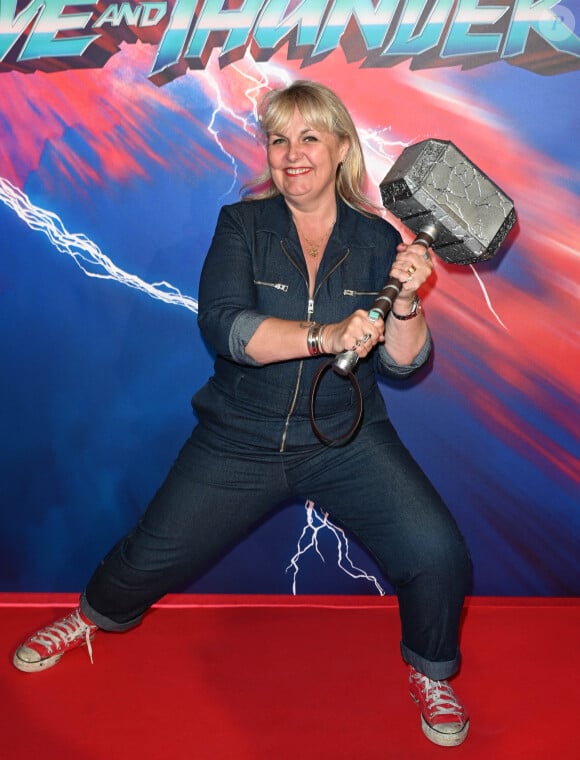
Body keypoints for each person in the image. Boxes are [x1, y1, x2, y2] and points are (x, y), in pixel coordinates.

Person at [13, 80, 472, 748]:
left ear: (341, 147)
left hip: (347, 438)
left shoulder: (377, 238)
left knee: (437, 550)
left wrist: (405, 302)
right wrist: (325, 335)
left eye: (309, 138)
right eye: (278, 139)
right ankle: (91, 616)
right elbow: (228, 329)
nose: (291, 155)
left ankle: (431, 671)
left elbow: (403, 363)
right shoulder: (243, 225)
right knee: (151, 553)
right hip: (241, 436)